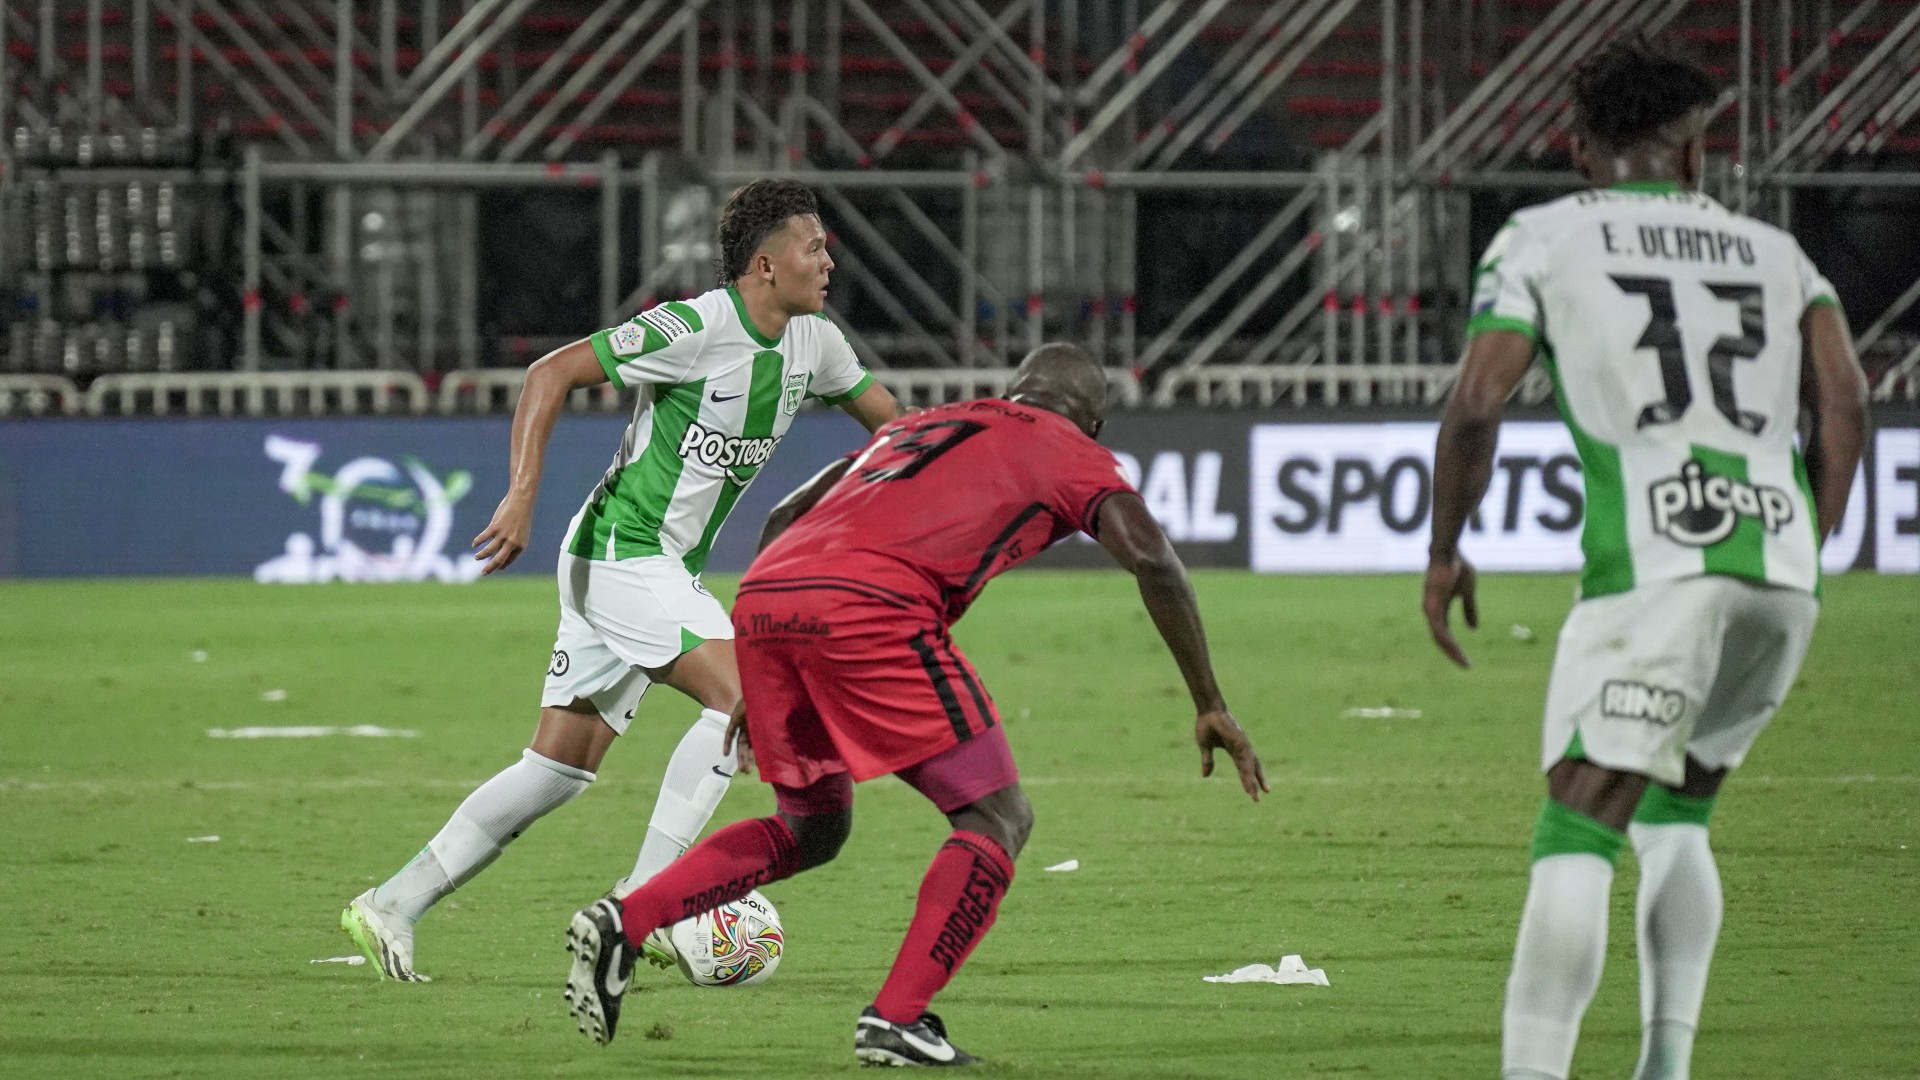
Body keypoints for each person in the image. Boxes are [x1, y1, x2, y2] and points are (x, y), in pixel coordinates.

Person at [559, 342, 1268, 1061]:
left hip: (773, 596)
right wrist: (1209, 700)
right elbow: (1152, 556)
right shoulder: (1069, 449)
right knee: (998, 814)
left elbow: (785, 514)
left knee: (814, 825)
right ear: (1093, 423)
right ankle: (896, 1019)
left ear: (1013, 389)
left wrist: (762, 654)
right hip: (871, 608)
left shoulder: (922, 424)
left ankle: (628, 918)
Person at [1422, 37, 1869, 1080]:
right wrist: (1816, 540)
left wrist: (1445, 550)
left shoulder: (1542, 238)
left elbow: (1477, 401)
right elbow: (1843, 397)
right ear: (1694, 152)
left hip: (1657, 564)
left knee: (1578, 820)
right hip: (1780, 566)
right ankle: (1664, 1066)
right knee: (1680, 813)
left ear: (1582, 150)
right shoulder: (1777, 253)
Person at [339, 179, 903, 982]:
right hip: (619, 554)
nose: (829, 260)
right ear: (766, 264)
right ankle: (648, 902)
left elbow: (894, 428)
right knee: (751, 701)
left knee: (556, 771)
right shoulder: (698, 325)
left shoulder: (817, 343)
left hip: (655, 569)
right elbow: (551, 372)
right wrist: (521, 495)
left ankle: (392, 903)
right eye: (814, 246)